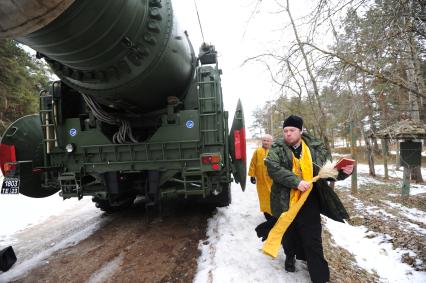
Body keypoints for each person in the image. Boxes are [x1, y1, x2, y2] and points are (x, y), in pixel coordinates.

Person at [264, 115, 353, 283]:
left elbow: (327, 171)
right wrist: (296, 182)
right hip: (285, 200)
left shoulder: (315, 148)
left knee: (313, 239)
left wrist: (344, 172)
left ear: (301, 131)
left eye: (292, 130)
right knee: (289, 235)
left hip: (309, 200)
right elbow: (273, 169)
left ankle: (320, 278)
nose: (288, 134)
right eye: (285, 130)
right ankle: (290, 255)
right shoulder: (277, 147)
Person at [248, 134, 273, 219]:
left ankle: (274, 214)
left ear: (271, 142)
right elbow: (253, 164)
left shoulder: (274, 151)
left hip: (272, 181)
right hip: (261, 181)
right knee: (263, 198)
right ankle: (267, 214)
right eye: (264, 140)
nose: (265, 142)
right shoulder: (258, 151)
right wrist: (252, 175)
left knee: (273, 197)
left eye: (267, 141)